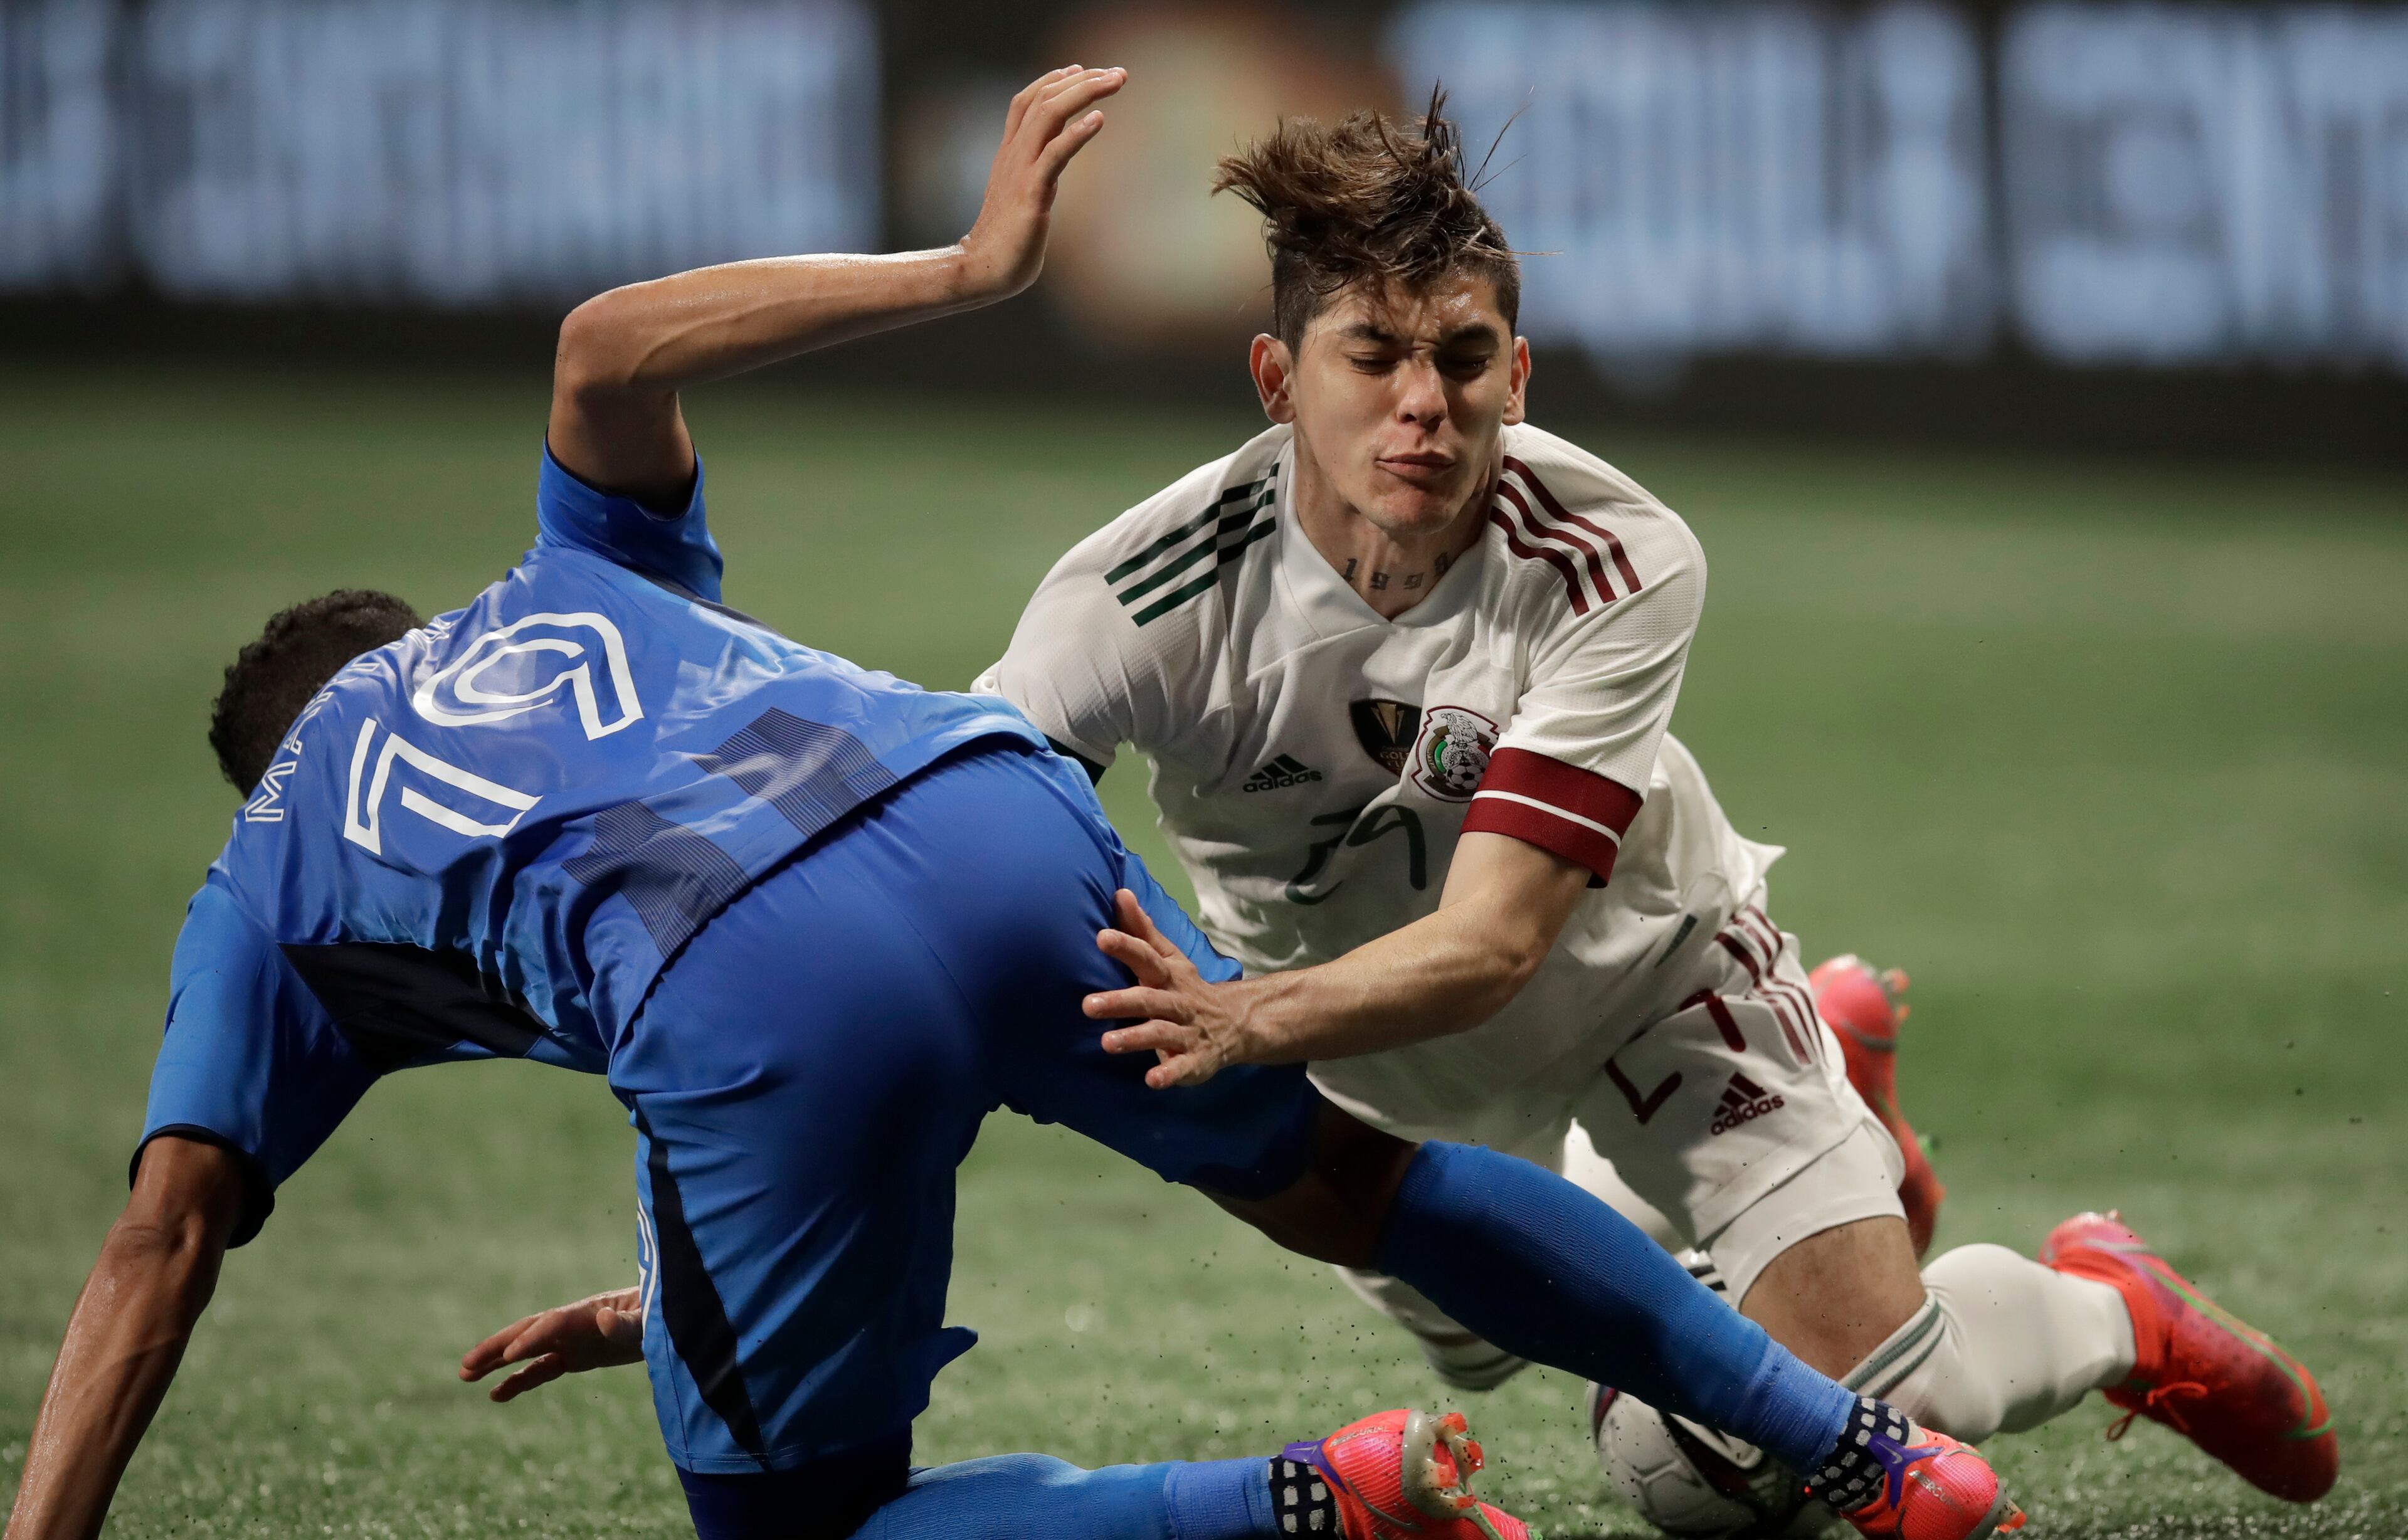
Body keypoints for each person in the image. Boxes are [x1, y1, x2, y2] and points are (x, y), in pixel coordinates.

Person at [6, 69, 2019, 1540]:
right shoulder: (570, 583)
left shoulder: (270, 873)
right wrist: (971, 267)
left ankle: (1307, 1502)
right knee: (1359, 1194)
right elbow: (603, 345)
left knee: (802, 1532)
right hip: (959, 797)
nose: (1423, 405)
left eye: (1462, 363)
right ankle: (1868, 1452)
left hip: (837, 988)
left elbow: (156, 1256)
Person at [974, 92, 2337, 1516]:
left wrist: (1237, 1017)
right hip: (1367, 1067)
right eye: (1371, 356)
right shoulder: (1142, 594)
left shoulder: (1615, 552)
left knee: (1837, 1422)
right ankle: (1844, 1145)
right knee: (1485, 1343)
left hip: (1647, 985)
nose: (1423, 404)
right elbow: (973, 819)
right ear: (1275, 378)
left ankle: (2116, 1312)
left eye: (1464, 357)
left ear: (1521, 374)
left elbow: (1497, 945)